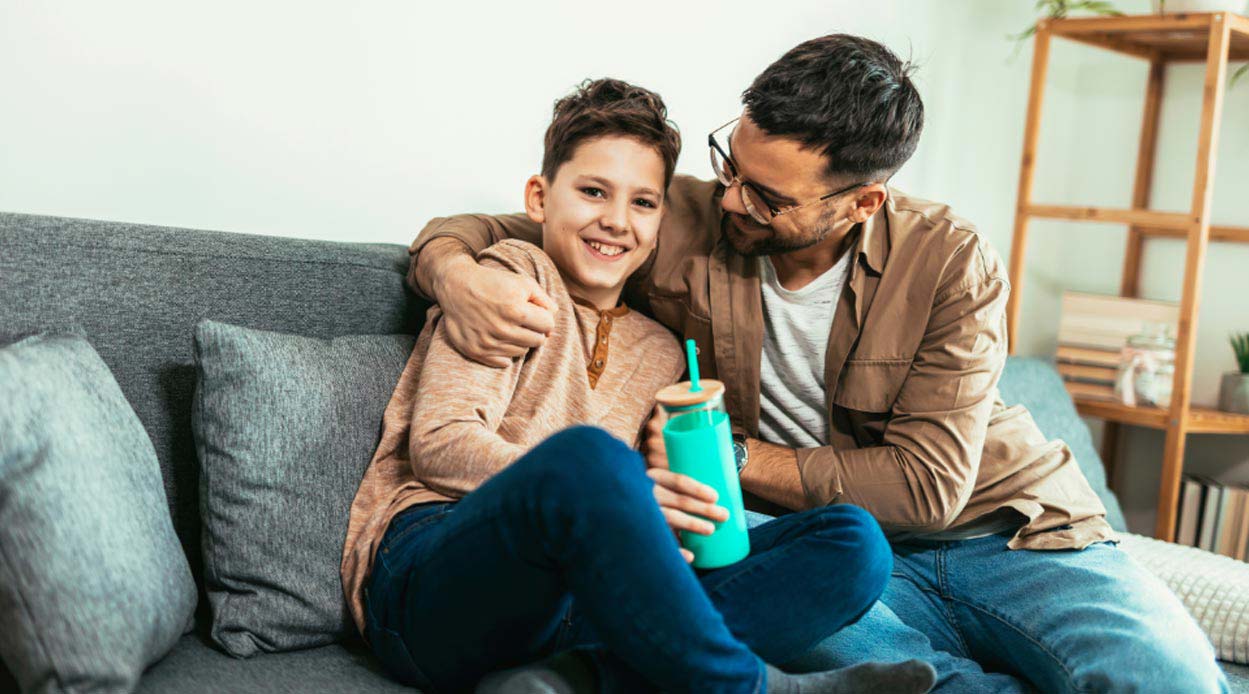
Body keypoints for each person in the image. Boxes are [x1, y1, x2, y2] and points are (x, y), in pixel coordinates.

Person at [406, 36, 1230, 694]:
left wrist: (729, 458)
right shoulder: (682, 215)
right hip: (830, 548)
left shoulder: (949, 262)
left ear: (860, 202)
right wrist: (453, 274)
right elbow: (498, 225)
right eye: (733, 163)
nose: (732, 200)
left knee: (1170, 681)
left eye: (767, 198)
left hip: (1006, 532)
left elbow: (925, 487)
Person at [341, 77, 936, 694]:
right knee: (591, 458)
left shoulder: (663, 349)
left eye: (643, 203)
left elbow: (631, 511)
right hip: (431, 573)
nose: (616, 221)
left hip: (572, 603)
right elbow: (440, 444)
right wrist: (622, 493)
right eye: (593, 192)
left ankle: (573, 680)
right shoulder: (508, 278)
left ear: (661, 219)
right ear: (540, 198)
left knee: (853, 542)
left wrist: (671, 512)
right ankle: (751, 687)